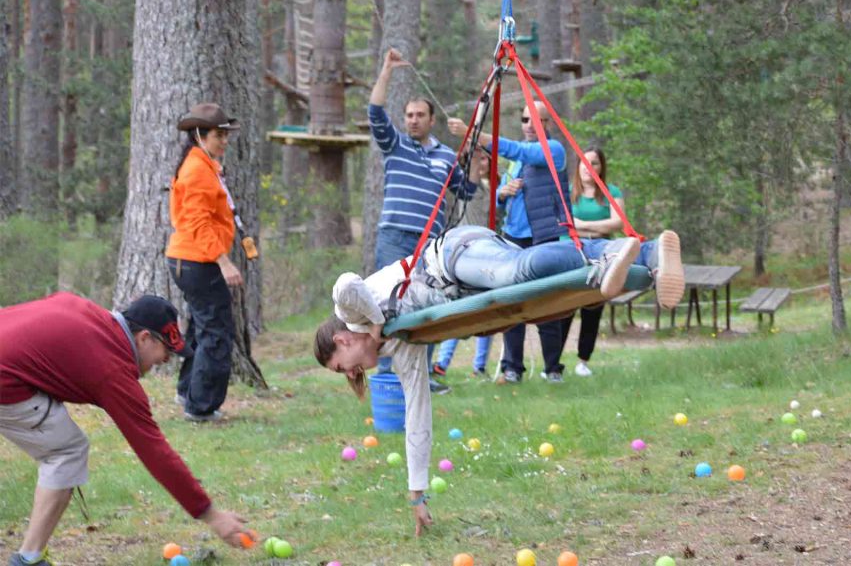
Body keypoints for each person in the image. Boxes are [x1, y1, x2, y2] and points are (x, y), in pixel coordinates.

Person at [313, 225, 683, 536]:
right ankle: (650, 265)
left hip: (451, 257)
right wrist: (417, 494)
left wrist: (375, 324)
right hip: (470, 283)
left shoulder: (349, 312)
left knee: (517, 273)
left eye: (340, 366)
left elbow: (346, 283)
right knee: (549, 293)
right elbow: (417, 418)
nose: (350, 374)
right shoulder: (403, 346)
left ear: (342, 340)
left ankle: (626, 250)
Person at [0, 293, 255, 566]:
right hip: (5, 379)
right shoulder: (112, 369)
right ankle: (28, 558)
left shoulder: (89, 313)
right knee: (66, 451)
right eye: (166, 350)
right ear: (144, 337)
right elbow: (155, 452)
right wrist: (212, 516)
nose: (168, 359)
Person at [369, 48, 483, 393]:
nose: (413, 120)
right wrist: (387, 70)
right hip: (393, 236)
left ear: (431, 120)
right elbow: (375, 112)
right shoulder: (395, 146)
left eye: (420, 115)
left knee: (427, 302)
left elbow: (465, 192)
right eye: (409, 115)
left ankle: (422, 374)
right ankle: (389, 372)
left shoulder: (446, 156)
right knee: (388, 303)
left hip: (428, 243)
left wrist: (476, 160)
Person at [448, 103, 571, 384]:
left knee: (546, 304)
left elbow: (519, 150)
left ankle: (552, 368)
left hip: (543, 236)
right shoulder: (516, 164)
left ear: (548, 123)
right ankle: (512, 367)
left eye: (536, 120)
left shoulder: (553, 150)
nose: (529, 124)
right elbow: (499, 202)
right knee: (512, 303)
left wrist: (475, 134)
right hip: (513, 236)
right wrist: (503, 193)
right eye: (526, 119)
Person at [166, 102, 244, 422]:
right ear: (200, 135)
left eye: (226, 135)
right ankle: (201, 407)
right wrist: (224, 262)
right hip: (198, 262)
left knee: (201, 329)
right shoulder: (197, 170)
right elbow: (199, 223)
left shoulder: (203, 164)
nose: (224, 141)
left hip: (190, 260)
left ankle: (188, 391)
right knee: (217, 332)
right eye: (218, 135)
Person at [560, 148, 626, 377]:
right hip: (571, 254)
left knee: (593, 307)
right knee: (563, 307)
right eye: (585, 162)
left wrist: (583, 226)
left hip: (602, 255)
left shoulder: (612, 192)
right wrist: (598, 225)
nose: (589, 168)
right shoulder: (568, 192)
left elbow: (618, 223)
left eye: (595, 163)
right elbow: (564, 222)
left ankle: (583, 361)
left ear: (602, 167)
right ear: (578, 166)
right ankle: (553, 362)